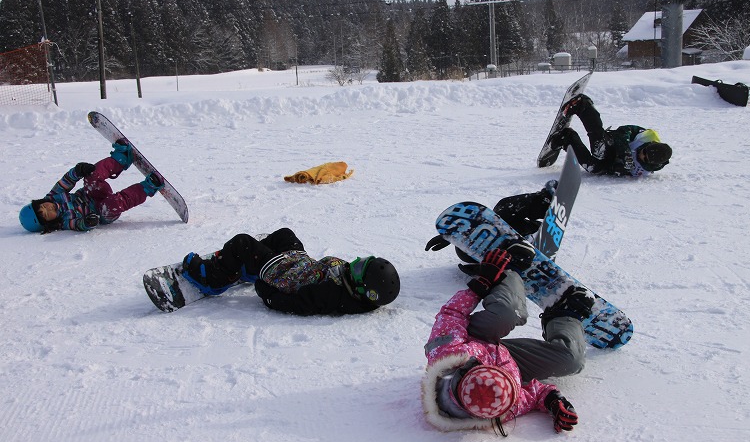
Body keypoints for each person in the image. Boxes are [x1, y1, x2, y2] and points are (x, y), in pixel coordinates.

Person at [421, 245, 594, 436]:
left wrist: (482, 282)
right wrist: (554, 401)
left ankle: (508, 272)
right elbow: (534, 395)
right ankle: (563, 315)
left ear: (469, 370)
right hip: (507, 359)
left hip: (474, 338)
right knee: (571, 360)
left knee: (506, 315)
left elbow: (452, 314)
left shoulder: (447, 355)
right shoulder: (501, 403)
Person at [181, 228, 401, 315]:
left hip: (283, 276)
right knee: (285, 235)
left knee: (242, 243)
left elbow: (296, 304)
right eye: (361, 261)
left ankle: (214, 279)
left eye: (359, 268)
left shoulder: (331, 295)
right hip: (300, 265)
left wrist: (265, 289)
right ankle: (250, 266)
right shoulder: (350, 285)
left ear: (364, 289)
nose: (354, 263)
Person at [19, 140, 164, 233]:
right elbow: (78, 224)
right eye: (45, 214)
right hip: (102, 212)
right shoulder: (64, 221)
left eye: (43, 206)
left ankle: (120, 159)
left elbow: (66, 181)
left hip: (92, 194)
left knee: (92, 176)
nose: (48, 208)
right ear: (48, 223)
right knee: (112, 203)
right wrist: (88, 222)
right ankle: (148, 187)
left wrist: (78, 171)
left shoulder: (53, 196)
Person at [424, 180, 558, 264]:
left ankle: (541, 201)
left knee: (505, 208)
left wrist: (449, 236)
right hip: (510, 250)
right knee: (506, 211)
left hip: (492, 247)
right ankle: (541, 202)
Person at [548, 94, 672, 177]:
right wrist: (625, 152)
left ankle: (568, 139)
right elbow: (624, 131)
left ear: (651, 163)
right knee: (599, 148)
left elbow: (625, 173)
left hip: (612, 160)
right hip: (612, 143)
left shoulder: (647, 170)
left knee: (593, 168)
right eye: (644, 150)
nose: (641, 154)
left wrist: (618, 169)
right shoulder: (647, 136)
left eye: (644, 157)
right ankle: (583, 106)